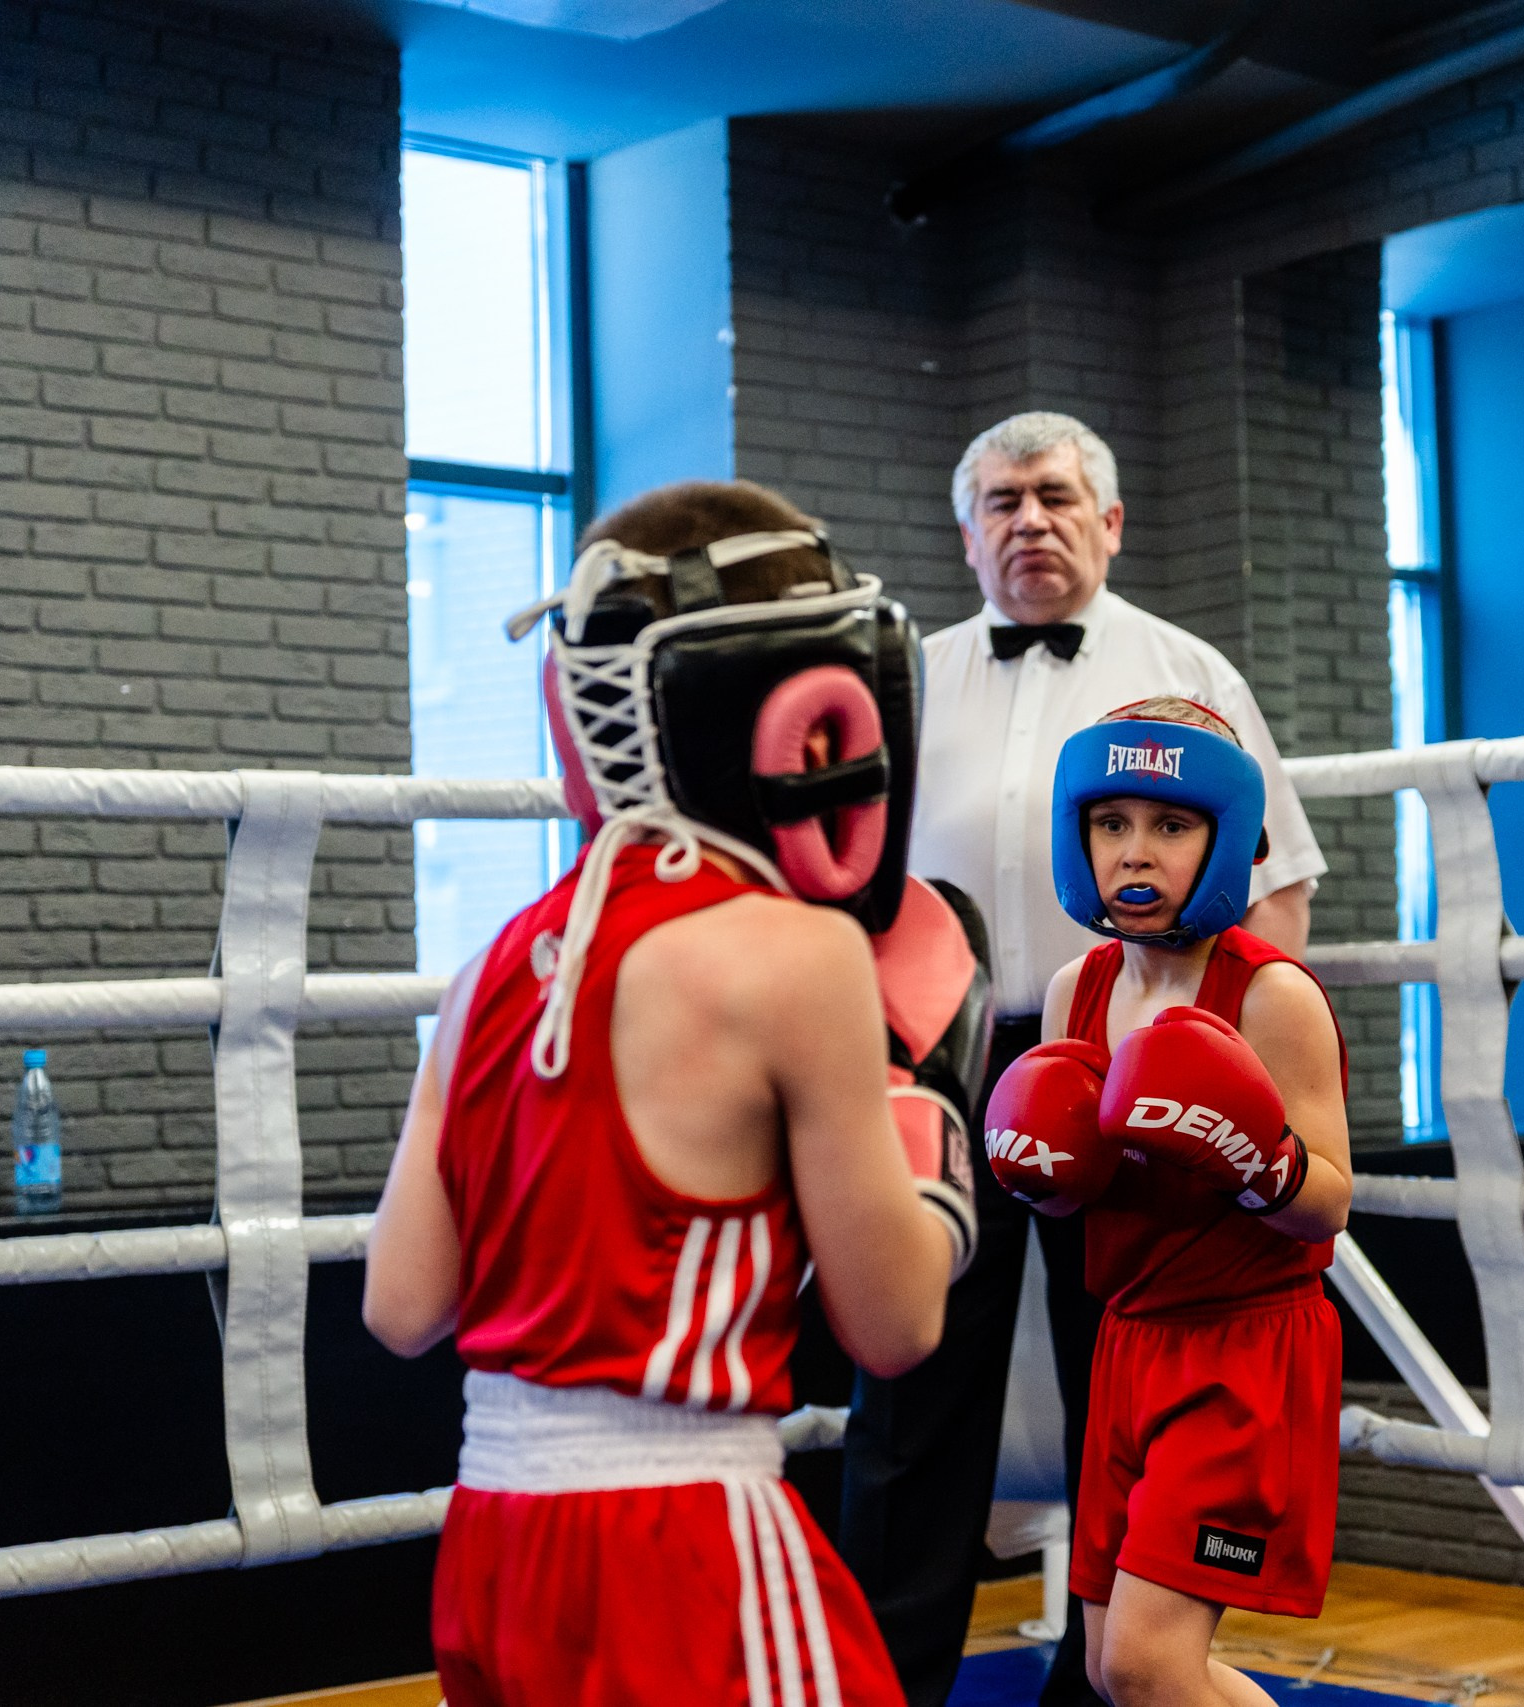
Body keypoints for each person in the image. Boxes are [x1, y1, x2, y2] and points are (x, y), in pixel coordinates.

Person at [362, 480, 984, 1707]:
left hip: (493, 1546)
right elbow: (894, 1326)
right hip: (686, 1542)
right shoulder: (796, 959)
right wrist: (931, 1136)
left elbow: (400, 1305)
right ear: (805, 708)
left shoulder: (492, 960)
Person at [843, 412, 1327, 1707]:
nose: (1028, 519)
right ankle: (887, 1681)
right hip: (939, 1058)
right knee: (915, 1371)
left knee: (1119, 1334)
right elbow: (849, 881)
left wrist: (1231, 1061)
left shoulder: (1186, 669)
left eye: (1055, 495)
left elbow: (1275, 886)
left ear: (1109, 520)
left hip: (1135, 1045)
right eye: (1000, 500)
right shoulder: (911, 676)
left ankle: (1103, 1680)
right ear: (966, 530)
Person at [985, 696, 1351, 1707]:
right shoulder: (1076, 992)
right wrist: (1043, 1174)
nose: (1134, 854)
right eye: (1112, 825)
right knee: (1116, 1671)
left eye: (1170, 826)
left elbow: (1328, 1201)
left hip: (1244, 1350)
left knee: (1148, 1665)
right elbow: (1074, 1199)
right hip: (1127, 1341)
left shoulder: (1270, 996)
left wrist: (1253, 1158)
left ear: (1226, 838)